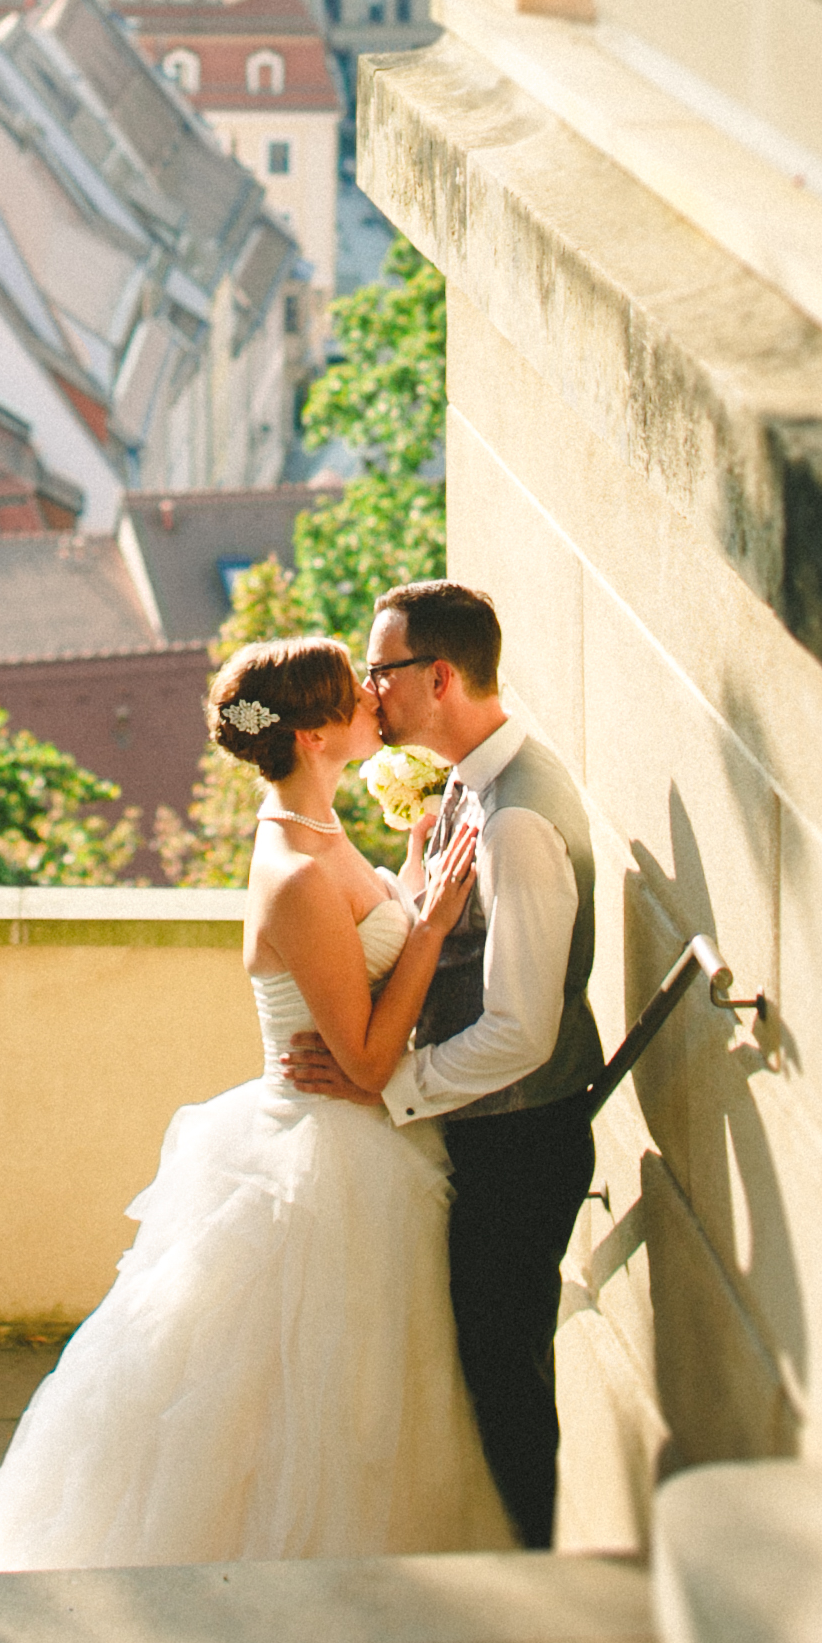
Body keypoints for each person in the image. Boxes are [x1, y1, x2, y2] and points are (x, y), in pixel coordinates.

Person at [0, 628, 514, 1571]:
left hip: (356, 1140)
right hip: (325, 1163)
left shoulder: (321, 833)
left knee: (363, 1408)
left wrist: (414, 871)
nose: (377, 698)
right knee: (299, 1419)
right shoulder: (290, 874)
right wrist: (437, 925)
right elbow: (367, 1062)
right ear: (317, 734)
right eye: (355, 692)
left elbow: (369, 943)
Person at [283, 578, 601, 1550]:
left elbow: (520, 1033)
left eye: (381, 672)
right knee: (476, 1368)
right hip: (486, 1136)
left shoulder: (515, 820)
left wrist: (388, 1089)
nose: (370, 693)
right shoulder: (466, 785)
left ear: (441, 676)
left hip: (518, 1146)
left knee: (503, 1376)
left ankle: (535, 1575)